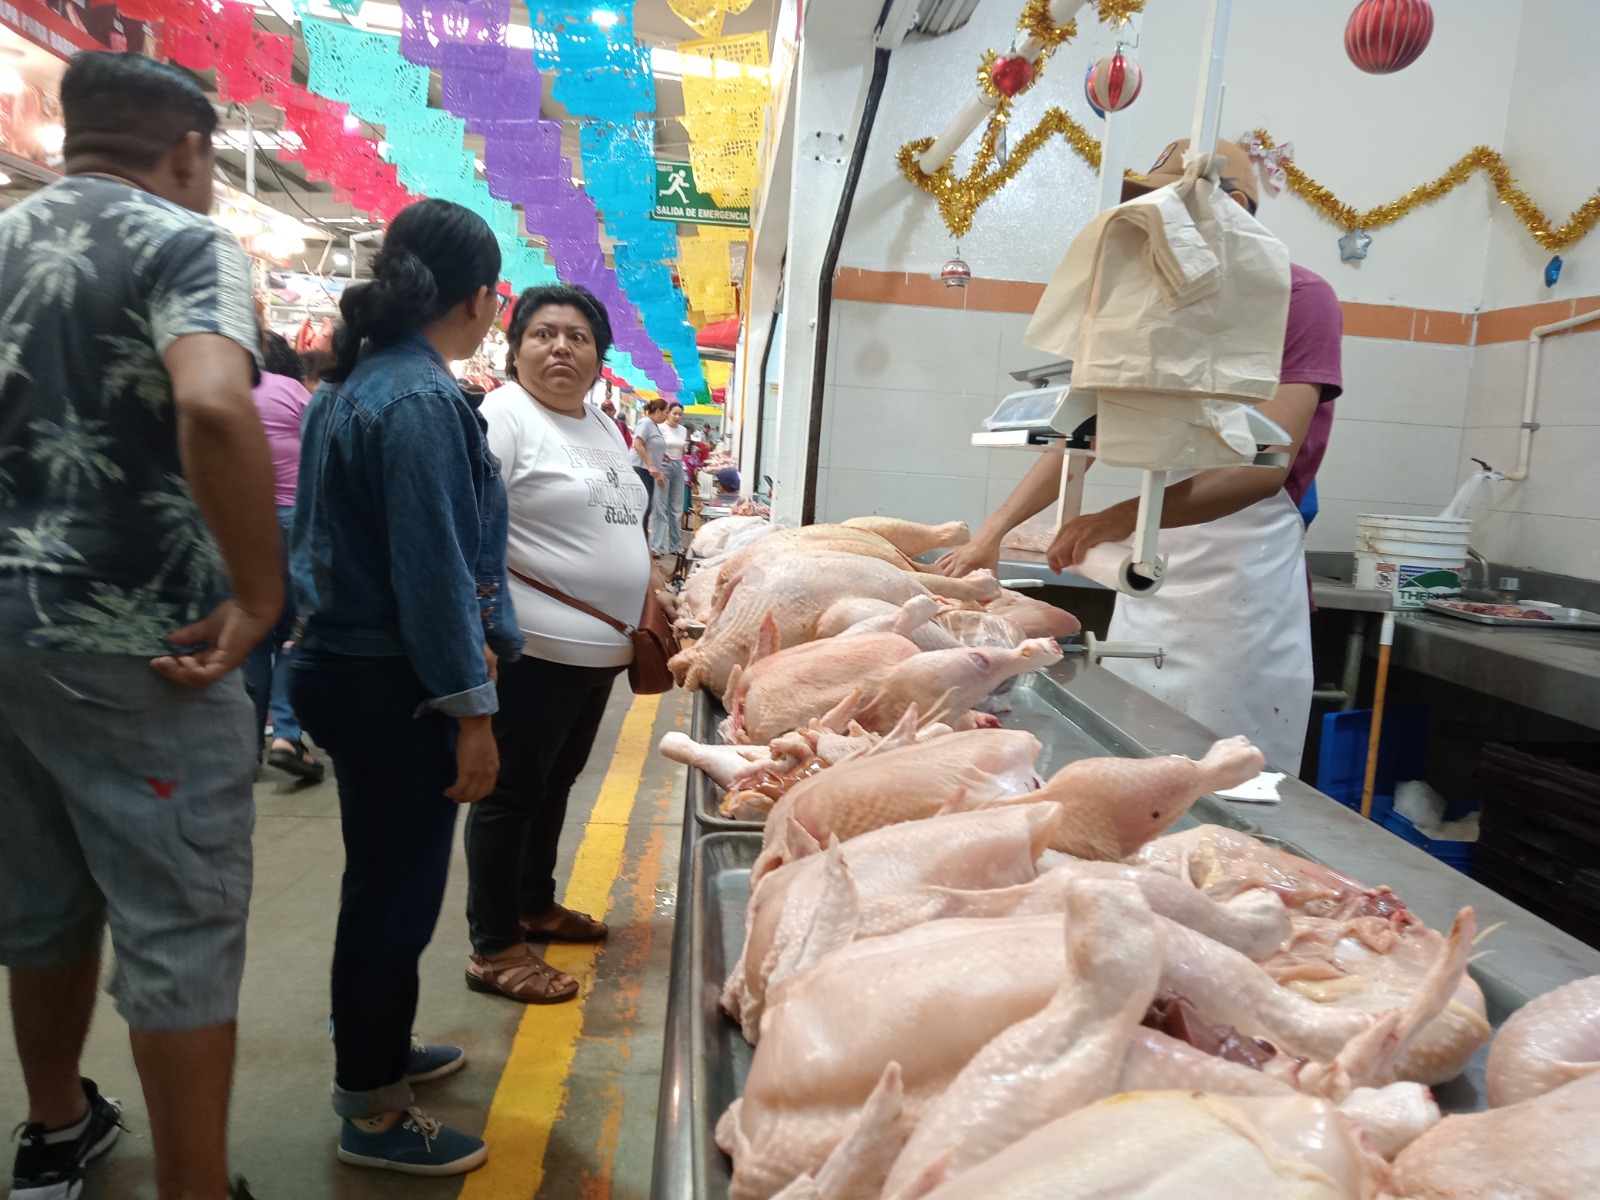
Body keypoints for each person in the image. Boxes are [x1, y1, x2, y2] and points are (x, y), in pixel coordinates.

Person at [0, 52, 278, 1200]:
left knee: (40, 897)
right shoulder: (180, 237)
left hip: (9, 636)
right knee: (179, 924)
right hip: (141, 643)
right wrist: (261, 595)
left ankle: (57, 1131)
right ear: (191, 149)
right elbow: (213, 400)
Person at [940, 138, 1342, 773]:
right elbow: (1083, 430)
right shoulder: (1159, 306)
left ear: (1233, 207)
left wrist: (1113, 521)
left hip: (1239, 599)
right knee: (1132, 767)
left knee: (1224, 785)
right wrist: (995, 530)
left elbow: (1263, 469)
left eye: (1171, 205)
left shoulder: (1301, 298)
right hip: (1152, 578)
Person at [289, 198, 523, 1176]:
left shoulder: (355, 385)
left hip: (344, 668)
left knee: (381, 884)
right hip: (396, 683)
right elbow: (432, 577)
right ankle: (372, 1108)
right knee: (394, 896)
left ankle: (380, 1052)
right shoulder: (422, 403)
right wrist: (471, 712)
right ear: (476, 298)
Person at [463, 285, 650, 1003]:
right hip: (531, 649)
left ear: (600, 357)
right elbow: (471, 529)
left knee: (553, 785)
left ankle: (534, 904)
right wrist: (477, 632)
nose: (561, 347)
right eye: (543, 334)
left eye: (578, 336)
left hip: (598, 653)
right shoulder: (504, 418)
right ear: (516, 348)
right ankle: (495, 945)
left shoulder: (603, 425)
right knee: (510, 795)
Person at [242, 331, 323, 784]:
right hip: (295, 524)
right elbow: (321, 454)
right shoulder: (294, 392)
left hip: (243, 524)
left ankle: (246, 745)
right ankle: (287, 736)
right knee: (295, 632)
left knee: (254, 635)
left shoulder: (232, 391)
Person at [651, 402, 689, 557]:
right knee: (660, 506)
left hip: (679, 467)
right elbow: (653, 448)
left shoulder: (683, 430)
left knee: (676, 508)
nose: (677, 417)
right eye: (674, 413)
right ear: (668, 413)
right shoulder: (660, 428)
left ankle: (675, 546)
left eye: (680, 414)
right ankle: (657, 547)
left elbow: (683, 450)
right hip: (663, 467)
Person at [632, 399, 669, 543]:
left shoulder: (654, 425)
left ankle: (642, 547)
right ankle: (640, 547)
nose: (666, 416)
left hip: (648, 471)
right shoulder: (646, 422)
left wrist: (661, 456)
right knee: (642, 510)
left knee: (647, 510)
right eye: (666, 412)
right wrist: (651, 465)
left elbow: (651, 445)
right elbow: (638, 444)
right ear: (658, 411)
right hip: (641, 470)